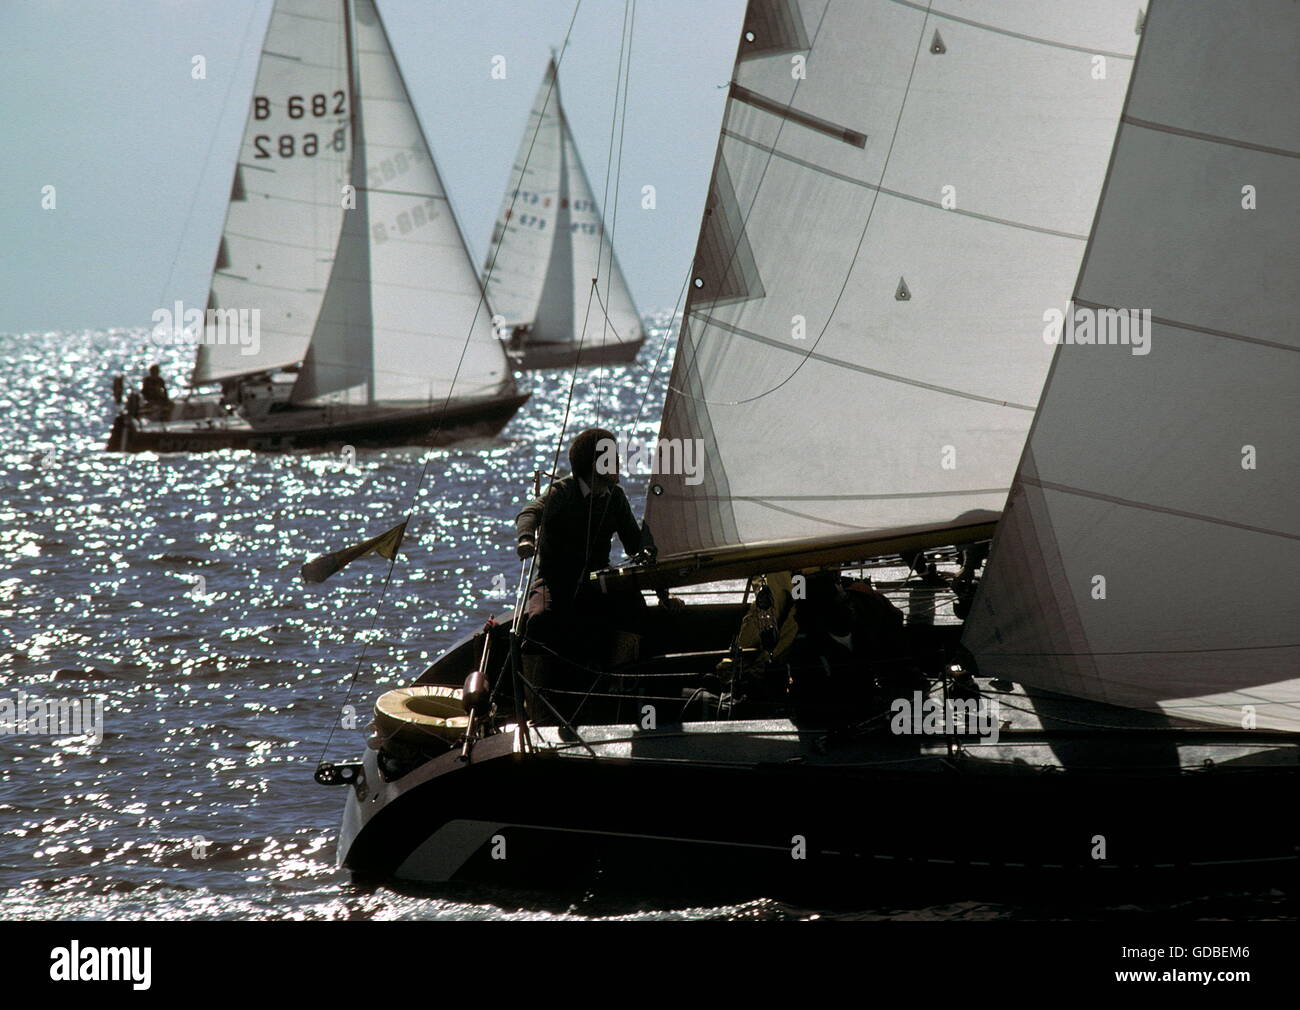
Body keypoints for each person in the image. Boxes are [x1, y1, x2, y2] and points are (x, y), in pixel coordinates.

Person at [515, 428, 656, 726]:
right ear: (597, 465)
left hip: (596, 579)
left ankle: (618, 690)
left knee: (635, 608)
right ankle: (538, 710)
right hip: (556, 580)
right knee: (539, 620)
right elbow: (530, 512)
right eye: (613, 458)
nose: (619, 463)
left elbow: (635, 542)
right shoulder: (563, 493)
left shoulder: (614, 498)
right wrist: (526, 539)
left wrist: (652, 547)